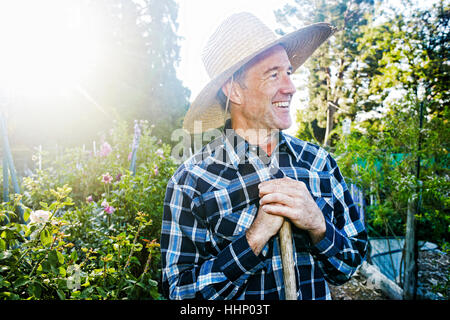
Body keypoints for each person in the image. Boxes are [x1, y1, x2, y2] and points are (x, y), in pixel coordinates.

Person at [161, 12, 367, 300]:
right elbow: (181, 293)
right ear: (235, 91)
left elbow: (349, 265)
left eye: (289, 72)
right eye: (273, 74)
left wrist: (318, 225)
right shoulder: (193, 181)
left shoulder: (319, 164)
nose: (290, 87)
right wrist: (254, 238)